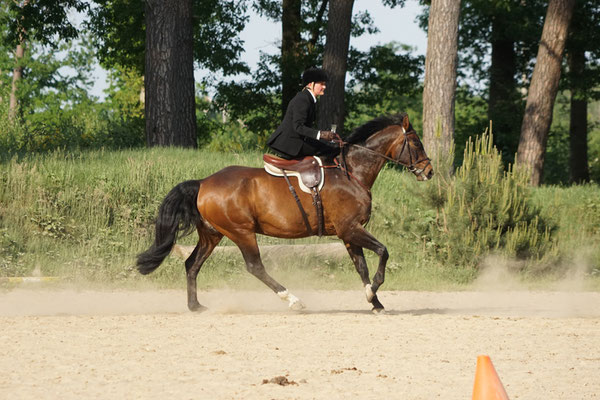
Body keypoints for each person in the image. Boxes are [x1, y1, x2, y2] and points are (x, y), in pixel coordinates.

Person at [267, 67, 340, 160]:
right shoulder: (302, 99)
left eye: (324, 84)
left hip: (297, 141)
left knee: (328, 147)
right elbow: (298, 127)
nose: (324, 87)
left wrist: (323, 136)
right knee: (329, 151)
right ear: (310, 84)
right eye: (321, 84)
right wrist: (321, 134)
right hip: (290, 143)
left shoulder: (309, 99)